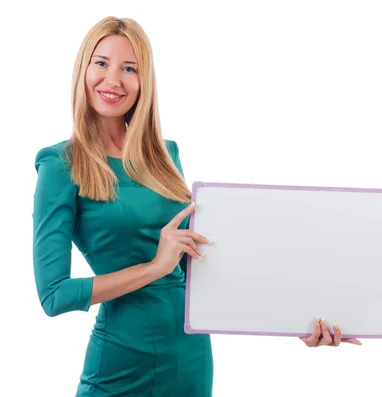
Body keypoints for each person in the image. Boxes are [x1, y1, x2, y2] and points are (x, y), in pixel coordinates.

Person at [32, 16, 361, 397]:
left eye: (129, 68)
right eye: (101, 63)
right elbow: (53, 295)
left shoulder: (164, 156)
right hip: (120, 365)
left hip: (189, 360)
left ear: (144, 81)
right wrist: (156, 266)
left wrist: (296, 323)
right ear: (83, 70)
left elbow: (204, 267)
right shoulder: (61, 164)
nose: (113, 79)